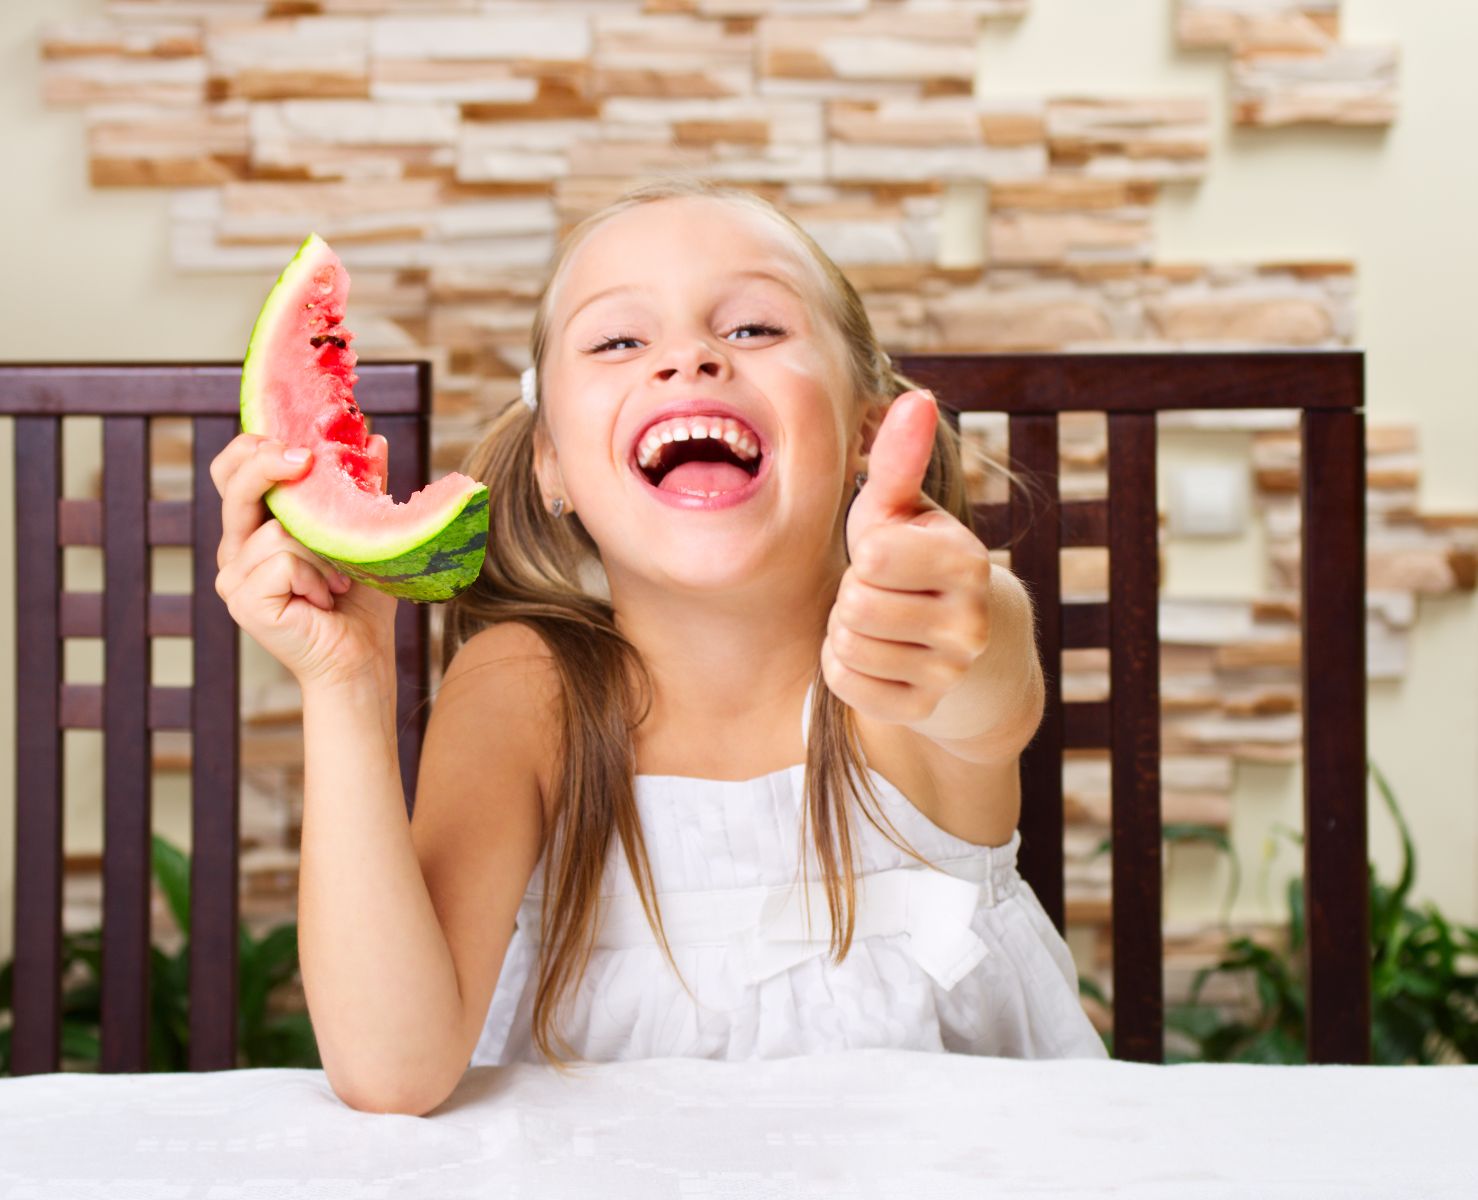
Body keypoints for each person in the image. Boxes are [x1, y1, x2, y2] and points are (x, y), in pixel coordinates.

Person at [211, 177, 1107, 1117]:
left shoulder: (900, 673)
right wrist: (343, 683)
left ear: (866, 433)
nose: (688, 359)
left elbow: (985, 680)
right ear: (553, 463)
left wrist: (964, 608)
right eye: (618, 341)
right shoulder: (527, 690)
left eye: (755, 329)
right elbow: (395, 1071)